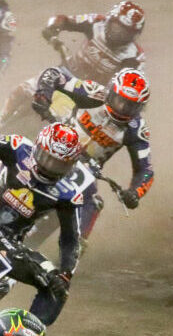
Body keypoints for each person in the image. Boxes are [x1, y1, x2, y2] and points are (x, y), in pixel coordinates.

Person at [0, 121, 85, 324]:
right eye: (46, 157)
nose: (48, 167)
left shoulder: (70, 194)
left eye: (57, 163)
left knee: (57, 290)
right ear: (37, 146)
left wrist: (65, 274)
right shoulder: (18, 147)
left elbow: (71, 240)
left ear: (70, 165)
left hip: (11, 246)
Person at [23, 67, 154, 237]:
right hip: (56, 146)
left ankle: (73, 251)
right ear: (110, 91)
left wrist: (135, 193)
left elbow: (146, 170)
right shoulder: (93, 92)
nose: (122, 109)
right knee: (18, 152)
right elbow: (55, 73)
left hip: (85, 171)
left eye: (130, 106)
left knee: (92, 202)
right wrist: (43, 95)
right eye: (119, 100)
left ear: (140, 108)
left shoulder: (137, 130)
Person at [0, 0, 145, 126]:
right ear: (110, 20)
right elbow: (63, 19)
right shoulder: (97, 22)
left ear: (135, 35)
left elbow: (131, 87)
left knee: (84, 132)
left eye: (126, 32)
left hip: (91, 97)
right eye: (117, 27)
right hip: (63, 75)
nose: (119, 34)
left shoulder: (135, 56)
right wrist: (53, 32)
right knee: (21, 90)